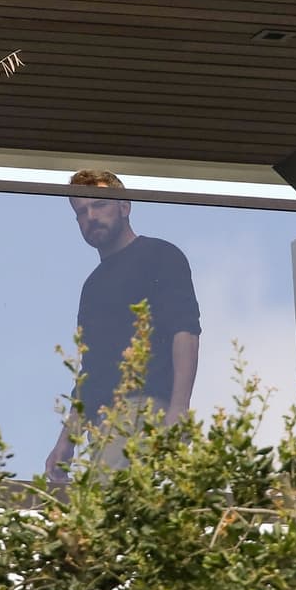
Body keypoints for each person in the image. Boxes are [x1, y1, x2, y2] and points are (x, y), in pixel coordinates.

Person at [45, 170, 201, 480]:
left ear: (124, 207)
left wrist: (179, 407)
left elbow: (185, 330)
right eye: (81, 212)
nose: (90, 216)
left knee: (111, 511)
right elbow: (91, 368)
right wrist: (67, 439)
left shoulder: (159, 255)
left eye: (99, 205)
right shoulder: (92, 286)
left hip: (143, 408)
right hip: (103, 425)